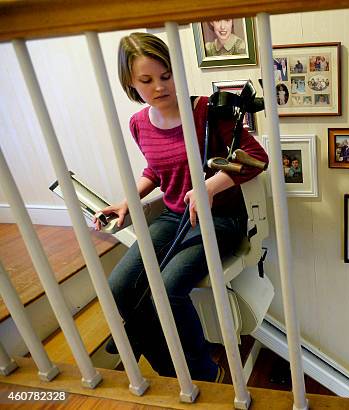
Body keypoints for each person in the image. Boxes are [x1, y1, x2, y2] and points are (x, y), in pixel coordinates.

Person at [96, 32, 268, 383]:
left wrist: (208, 187)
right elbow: (156, 171)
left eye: (165, 76)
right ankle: (169, 366)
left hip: (219, 219)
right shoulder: (139, 124)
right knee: (118, 287)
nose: (159, 87)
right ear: (130, 82)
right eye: (146, 80)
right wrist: (128, 202)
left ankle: (206, 374)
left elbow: (258, 159)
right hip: (175, 216)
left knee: (169, 288)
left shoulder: (207, 111)